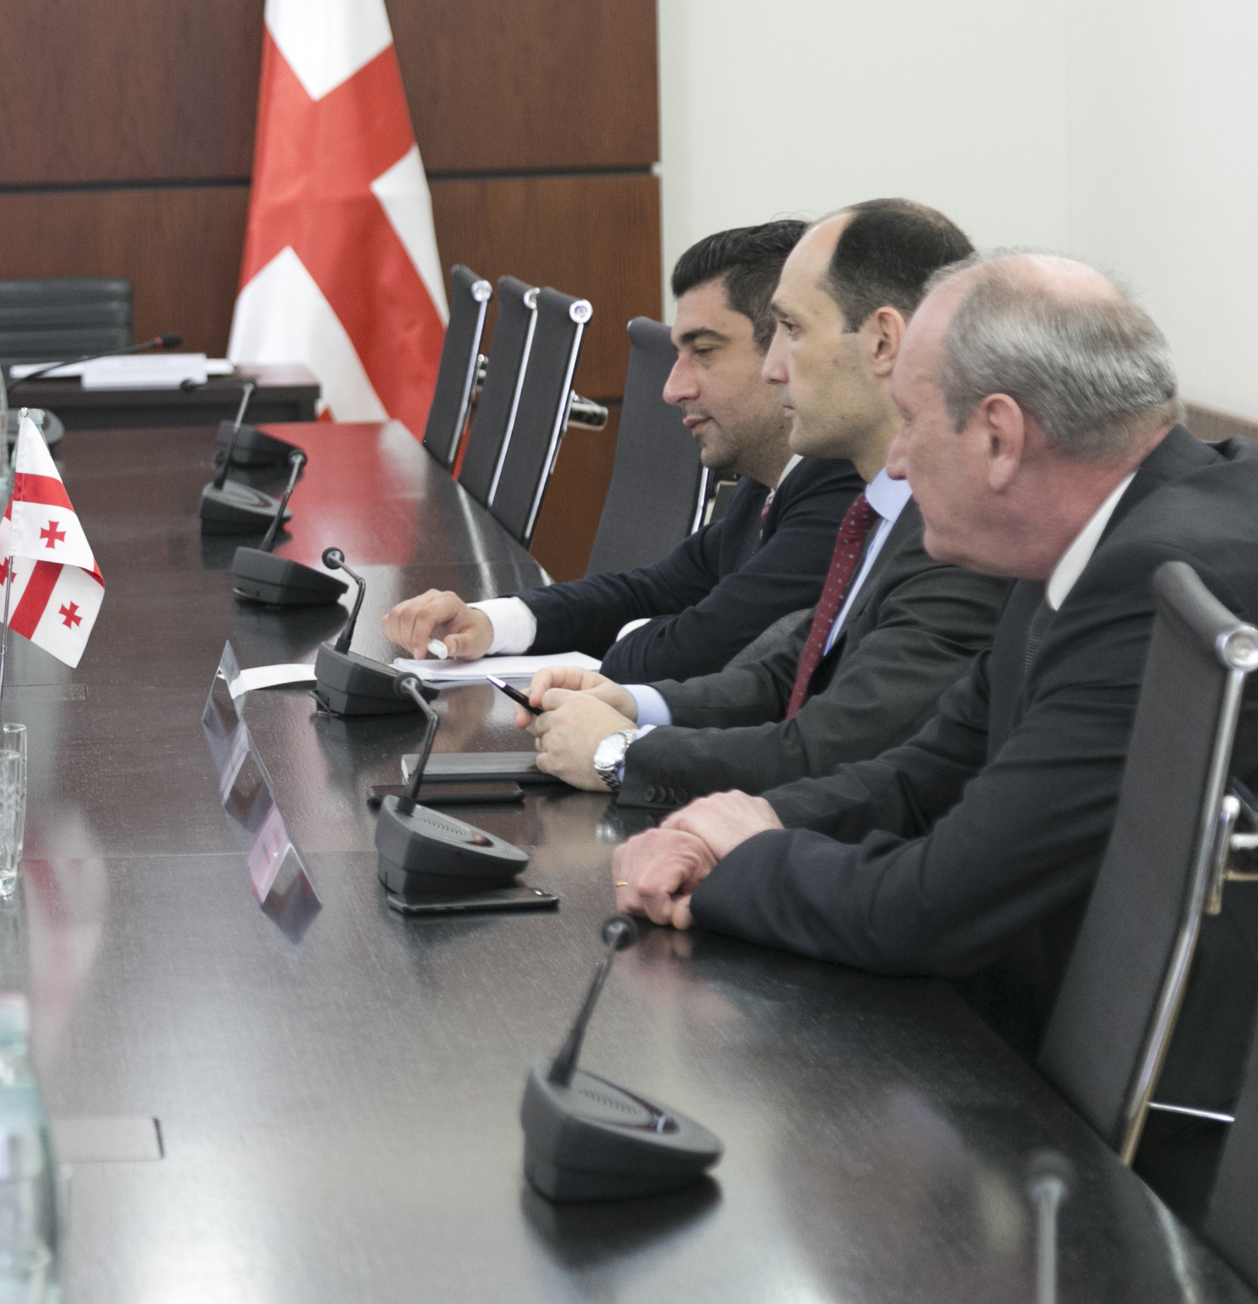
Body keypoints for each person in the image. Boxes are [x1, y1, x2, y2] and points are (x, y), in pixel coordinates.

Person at [610, 252, 1258, 1201]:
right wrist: (742, 822)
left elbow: (937, 907)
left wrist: (745, 864)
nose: (897, 463)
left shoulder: (1152, 583)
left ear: (998, 437)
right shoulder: (1101, 528)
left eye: (910, 422)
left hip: (1169, 1163)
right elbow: (928, 769)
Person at [515, 202, 1007, 802]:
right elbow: (789, 676)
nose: (773, 369)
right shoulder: (881, 510)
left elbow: (831, 749)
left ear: (883, 342)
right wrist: (636, 703)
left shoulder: (955, 535)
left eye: (792, 330)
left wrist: (620, 753)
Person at [384, 219, 862, 682]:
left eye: (704, 352)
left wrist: (639, 636)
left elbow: (696, 652)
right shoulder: (772, 481)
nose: (671, 389)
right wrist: (489, 622)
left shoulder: (841, 493)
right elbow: (653, 591)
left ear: (784, 351)